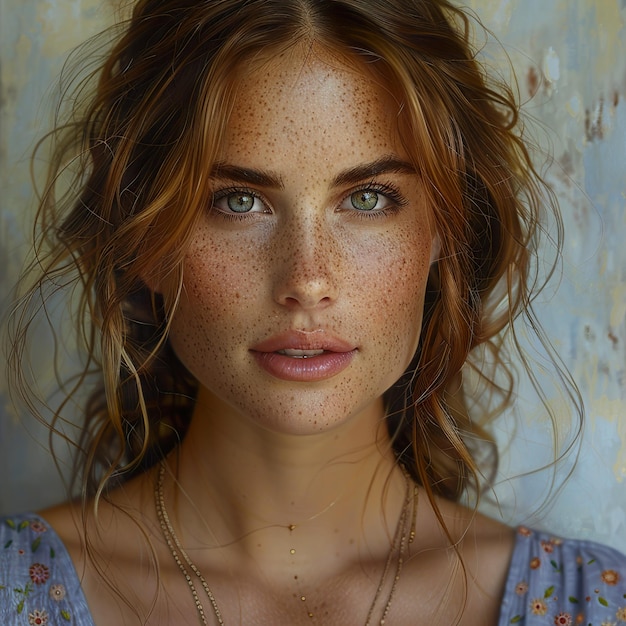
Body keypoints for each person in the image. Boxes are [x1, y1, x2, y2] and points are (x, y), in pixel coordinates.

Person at [1, 0, 624, 624]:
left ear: (443, 230)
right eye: (239, 201)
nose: (307, 280)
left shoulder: (595, 604)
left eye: (369, 198)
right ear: (146, 240)